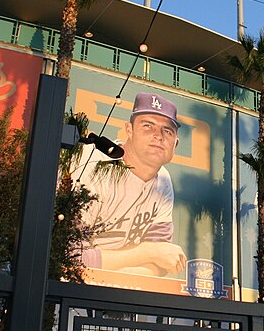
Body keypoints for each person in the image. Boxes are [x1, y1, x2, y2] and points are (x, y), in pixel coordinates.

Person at [77, 91, 186, 277]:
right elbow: (69, 255)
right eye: (148, 126)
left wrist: (125, 281)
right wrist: (148, 252)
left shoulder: (163, 180)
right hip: (63, 293)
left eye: (167, 131)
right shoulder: (92, 164)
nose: (158, 136)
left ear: (175, 143)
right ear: (129, 130)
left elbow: (162, 259)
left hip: (118, 293)